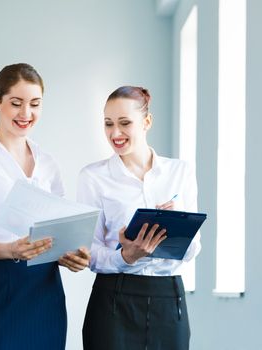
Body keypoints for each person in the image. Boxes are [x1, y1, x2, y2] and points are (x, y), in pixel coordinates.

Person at [0, 63, 91, 350]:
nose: (26, 114)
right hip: (0, 283)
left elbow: (59, 232)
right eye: (16, 103)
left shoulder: (48, 162)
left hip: (45, 287)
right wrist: (11, 250)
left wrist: (72, 255)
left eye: (35, 104)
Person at [78, 86, 200, 350]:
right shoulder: (93, 177)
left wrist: (178, 225)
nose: (115, 133)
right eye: (108, 124)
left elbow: (192, 250)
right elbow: (88, 251)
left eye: (124, 123)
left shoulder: (180, 172)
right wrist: (124, 257)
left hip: (169, 298)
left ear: (146, 122)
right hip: (113, 298)